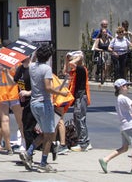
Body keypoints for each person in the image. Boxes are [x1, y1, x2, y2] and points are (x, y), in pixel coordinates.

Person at [26, 44, 67, 173]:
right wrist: (61, 93)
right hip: (44, 103)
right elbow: (48, 88)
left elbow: (31, 60)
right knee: (50, 135)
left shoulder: (32, 67)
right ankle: (43, 163)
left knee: (45, 132)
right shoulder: (46, 69)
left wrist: (34, 53)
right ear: (49, 57)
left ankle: (29, 152)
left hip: (34, 103)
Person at [97, 78, 132, 175]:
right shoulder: (123, 98)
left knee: (124, 148)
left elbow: (125, 112)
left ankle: (105, 159)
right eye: (126, 86)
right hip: (129, 126)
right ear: (121, 88)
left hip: (124, 126)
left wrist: (131, 115)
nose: (127, 87)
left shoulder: (119, 99)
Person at [65, 50, 91, 152]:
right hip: (78, 97)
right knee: (78, 118)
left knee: (79, 118)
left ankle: (83, 143)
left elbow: (72, 64)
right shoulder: (76, 70)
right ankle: (86, 142)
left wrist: (79, 57)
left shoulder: (81, 69)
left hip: (81, 97)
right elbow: (66, 71)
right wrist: (67, 59)